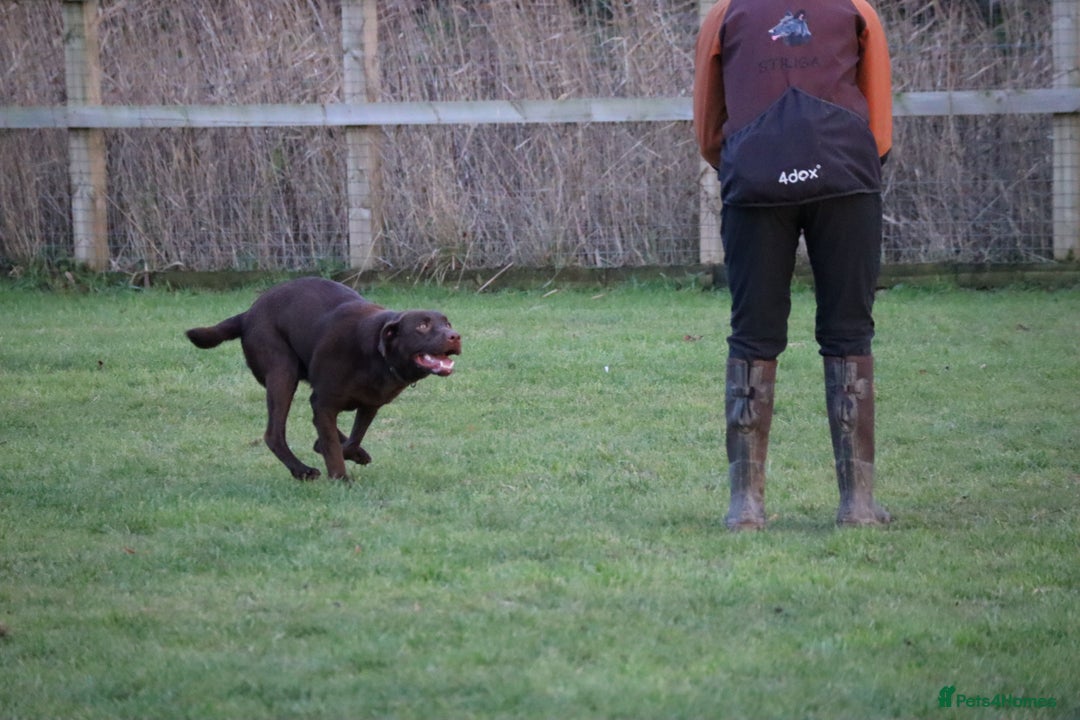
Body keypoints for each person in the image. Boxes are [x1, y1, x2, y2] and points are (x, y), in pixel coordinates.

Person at [693, 0, 894, 529]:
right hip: (846, 181)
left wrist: (746, 166)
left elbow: (708, 121)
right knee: (849, 331)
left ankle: (747, 507)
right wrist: (856, 165)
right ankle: (857, 505)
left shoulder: (724, 13)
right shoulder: (856, 9)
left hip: (755, 185)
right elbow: (879, 111)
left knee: (753, 335)